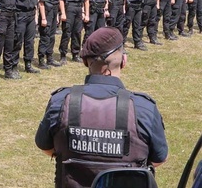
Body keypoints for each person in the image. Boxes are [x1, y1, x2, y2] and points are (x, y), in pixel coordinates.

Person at [35, 27, 168, 188]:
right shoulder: (143, 108)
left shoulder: (60, 102)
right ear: (123, 61)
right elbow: (158, 159)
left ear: (85, 62)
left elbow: (46, 147)